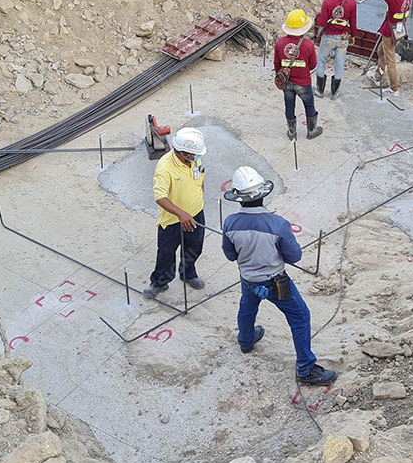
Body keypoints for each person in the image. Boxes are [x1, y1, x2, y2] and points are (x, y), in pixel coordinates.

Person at [221, 165, 338, 387]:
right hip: (275, 281)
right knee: (300, 317)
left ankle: (246, 341)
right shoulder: (278, 225)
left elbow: (229, 255)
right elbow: (294, 256)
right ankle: (305, 369)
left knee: (247, 309)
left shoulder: (230, 224)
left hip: (248, 280)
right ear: (263, 194)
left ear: (238, 198)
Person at [143, 127, 207, 298]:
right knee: (166, 253)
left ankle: (188, 274)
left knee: (194, 248)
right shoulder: (165, 167)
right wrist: (181, 214)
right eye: (194, 155)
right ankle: (160, 282)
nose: (197, 158)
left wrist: (198, 200)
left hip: (196, 214)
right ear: (183, 152)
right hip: (172, 220)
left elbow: (200, 178)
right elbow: (160, 197)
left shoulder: (194, 159)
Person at [365, 0, 412, 96]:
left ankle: (394, 88)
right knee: (381, 51)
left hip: (389, 33)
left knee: (390, 60)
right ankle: (378, 75)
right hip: (397, 30)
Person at [275, 9, 323, 140]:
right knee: (309, 105)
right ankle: (311, 131)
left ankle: (292, 132)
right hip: (303, 82)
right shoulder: (308, 45)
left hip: (286, 82)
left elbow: (276, 64)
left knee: (289, 106)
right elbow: (313, 65)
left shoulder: (280, 43)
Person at [314, 0, 358, 99]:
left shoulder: (328, 1)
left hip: (329, 36)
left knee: (321, 61)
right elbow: (353, 22)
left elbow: (322, 22)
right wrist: (353, 35)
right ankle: (334, 93)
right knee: (339, 64)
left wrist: (318, 36)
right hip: (343, 37)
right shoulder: (351, 2)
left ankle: (319, 91)